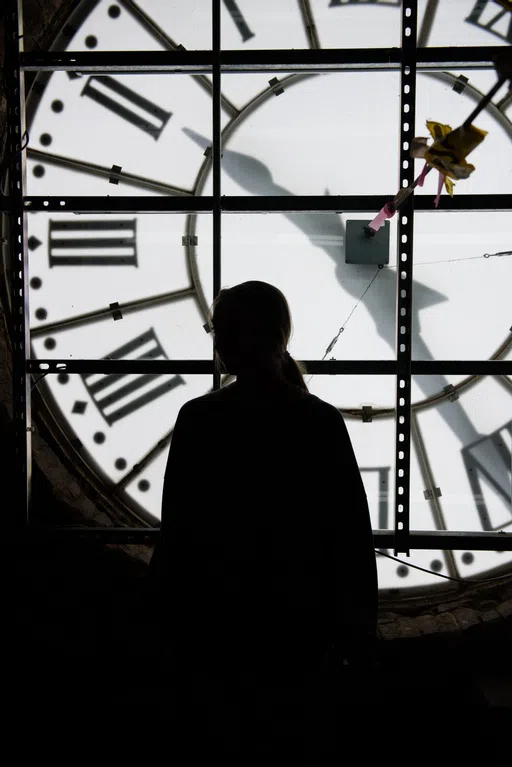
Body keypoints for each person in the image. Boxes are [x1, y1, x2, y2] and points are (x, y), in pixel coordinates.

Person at [146, 280, 378, 748]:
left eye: (228, 331)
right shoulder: (319, 423)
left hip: (216, 629)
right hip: (299, 632)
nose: (221, 343)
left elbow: (178, 538)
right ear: (279, 338)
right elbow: (350, 539)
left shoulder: (200, 420)